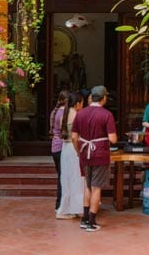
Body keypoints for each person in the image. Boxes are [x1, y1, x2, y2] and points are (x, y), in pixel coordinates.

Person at [70, 85, 117, 232]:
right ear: (103, 98)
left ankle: (84, 219)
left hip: (84, 152)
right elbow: (113, 139)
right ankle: (91, 222)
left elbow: (74, 137)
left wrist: (79, 151)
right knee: (97, 188)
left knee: (87, 186)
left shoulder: (80, 113)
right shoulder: (106, 114)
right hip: (100, 153)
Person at [56, 91, 85, 219]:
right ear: (77, 103)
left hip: (65, 148)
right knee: (76, 179)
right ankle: (74, 209)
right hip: (73, 148)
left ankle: (68, 208)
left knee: (67, 179)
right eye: (82, 103)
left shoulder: (64, 114)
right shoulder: (76, 116)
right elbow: (75, 137)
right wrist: (79, 151)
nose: (83, 106)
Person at [49, 90, 68, 213]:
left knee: (60, 176)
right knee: (63, 177)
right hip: (62, 147)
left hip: (55, 146)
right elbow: (65, 131)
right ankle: (60, 204)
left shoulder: (54, 112)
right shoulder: (64, 113)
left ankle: (60, 204)